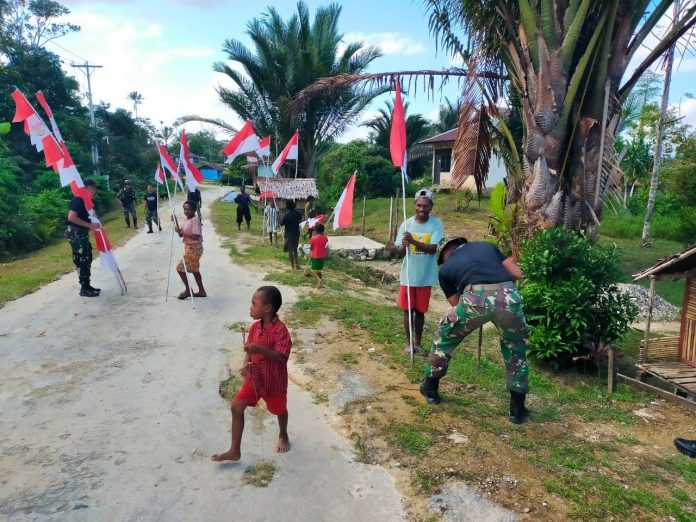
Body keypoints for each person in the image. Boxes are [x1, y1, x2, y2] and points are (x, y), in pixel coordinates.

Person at [419, 237, 530, 424]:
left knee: (445, 338)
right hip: (510, 296)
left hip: (475, 298)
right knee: (515, 350)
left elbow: (456, 304)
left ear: (447, 252)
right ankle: (517, 409)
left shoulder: (445, 270)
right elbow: (517, 273)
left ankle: (430, 388)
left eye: (443, 258)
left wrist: (481, 306)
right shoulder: (488, 247)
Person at [212, 285, 292, 461]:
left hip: (273, 382)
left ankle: (283, 434)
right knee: (236, 407)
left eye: (253, 304)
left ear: (267, 308)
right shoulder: (255, 327)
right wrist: (246, 362)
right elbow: (250, 348)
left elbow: (282, 357)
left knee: (279, 410)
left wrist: (260, 349)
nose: (250, 308)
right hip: (254, 378)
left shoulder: (281, 330)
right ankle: (234, 451)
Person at [389, 188, 444, 355]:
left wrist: (412, 240)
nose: (422, 209)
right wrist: (395, 247)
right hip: (408, 275)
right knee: (408, 310)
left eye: (425, 206)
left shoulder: (436, 224)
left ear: (431, 207)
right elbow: (400, 250)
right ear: (414, 205)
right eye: (419, 205)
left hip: (425, 276)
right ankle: (409, 344)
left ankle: (418, 343)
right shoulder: (406, 224)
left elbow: (433, 248)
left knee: (420, 312)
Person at [66, 179, 102, 297]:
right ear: (85, 188)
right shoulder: (78, 200)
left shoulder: (87, 202)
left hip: (82, 233)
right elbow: (71, 217)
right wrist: (90, 225)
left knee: (87, 257)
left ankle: (87, 285)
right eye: (92, 189)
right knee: (82, 259)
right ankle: (84, 288)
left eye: (94, 189)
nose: (94, 191)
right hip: (76, 233)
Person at [174, 200, 207, 299]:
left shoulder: (195, 220)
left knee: (180, 268)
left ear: (194, 210)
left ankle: (188, 290)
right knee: (194, 270)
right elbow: (181, 234)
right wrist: (175, 222)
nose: (186, 211)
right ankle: (202, 291)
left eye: (189, 209)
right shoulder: (187, 220)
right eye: (185, 209)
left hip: (195, 248)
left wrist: (182, 231)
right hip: (189, 248)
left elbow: (196, 235)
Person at [280, 200, 303, 270]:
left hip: (288, 234)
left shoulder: (286, 215)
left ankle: (292, 266)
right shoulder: (298, 213)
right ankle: (297, 264)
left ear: (287, 206)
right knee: (295, 249)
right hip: (296, 233)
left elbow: (281, 224)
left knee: (290, 250)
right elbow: (300, 219)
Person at [308, 222, 328, 289]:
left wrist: (311, 249)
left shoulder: (313, 238)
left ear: (315, 230)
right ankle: (320, 284)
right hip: (322, 256)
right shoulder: (325, 238)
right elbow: (325, 245)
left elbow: (311, 247)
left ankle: (319, 280)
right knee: (319, 271)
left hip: (315, 256)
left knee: (313, 270)